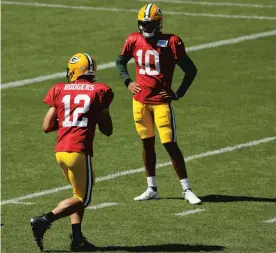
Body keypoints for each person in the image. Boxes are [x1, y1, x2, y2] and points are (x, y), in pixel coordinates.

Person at [115, 3, 201, 204]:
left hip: (161, 102)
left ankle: (186, 189)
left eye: (149, 23)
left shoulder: (172, 41)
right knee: (147, 143)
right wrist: (128, 81)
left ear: (158, 23)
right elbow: (120, 61)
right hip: (140, 102)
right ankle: (152, 187)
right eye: (143, 24)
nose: (145, 27)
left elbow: (191, 70)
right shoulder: (133, 39)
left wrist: (178, 93)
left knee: (170, 144)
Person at [30, 53, 114, 252]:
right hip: (79, 150)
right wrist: (95, 116)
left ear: (74, 71)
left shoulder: (59, 89)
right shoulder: (99, 90)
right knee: (82, 199)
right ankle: (44, 220)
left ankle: (77, 239)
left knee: (78, 193)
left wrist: (68, 121)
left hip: (61, 151)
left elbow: (46, 126)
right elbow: (107, 129)